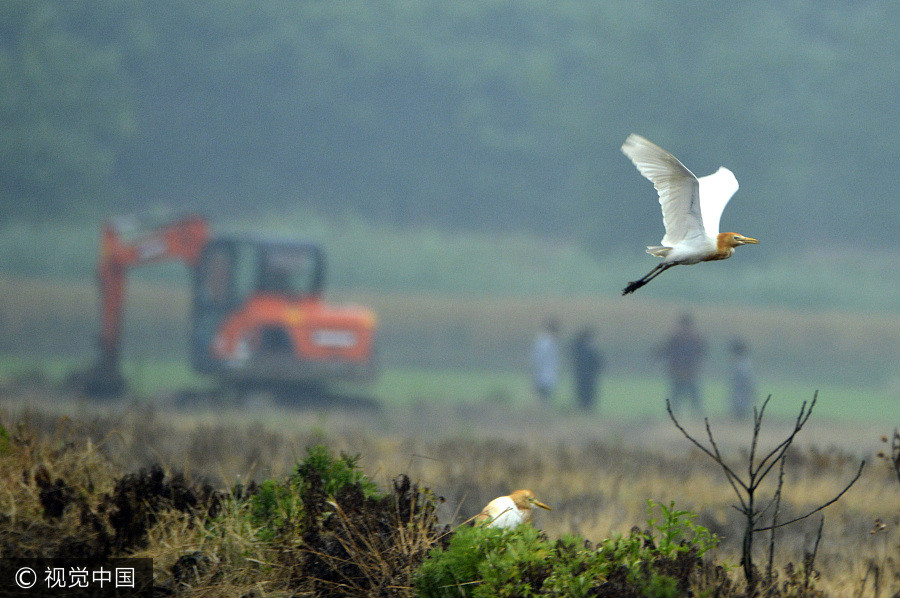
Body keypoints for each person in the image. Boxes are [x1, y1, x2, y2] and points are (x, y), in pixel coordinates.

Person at [656, 313, 707, 416]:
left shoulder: (677, 338)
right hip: (684, 372)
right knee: (684, 395)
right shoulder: (694, 338)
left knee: (686, 395)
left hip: (684, 372)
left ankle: (691, 414)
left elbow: (665, 351)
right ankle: (686, 414)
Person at [570, 326, 604, 412]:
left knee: (582, 396)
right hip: (588, 377)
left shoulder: (578, 348)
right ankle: (586, 411)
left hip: (581, 376)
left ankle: (583, 411)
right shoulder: (589, 349)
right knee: (587, 397)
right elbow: (597, 362)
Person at [531, 318, 560, 405]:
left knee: (546, 396)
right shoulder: (545, 343)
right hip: (543, 374)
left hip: (547, 373)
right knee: (544, 396)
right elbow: (539, 359)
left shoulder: (549, 342)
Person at [729, 339, 756, 420]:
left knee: (740, 410)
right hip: (741, 391)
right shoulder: (745, 362)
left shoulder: (742, 364)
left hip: (741, 391)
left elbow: (746, 379)